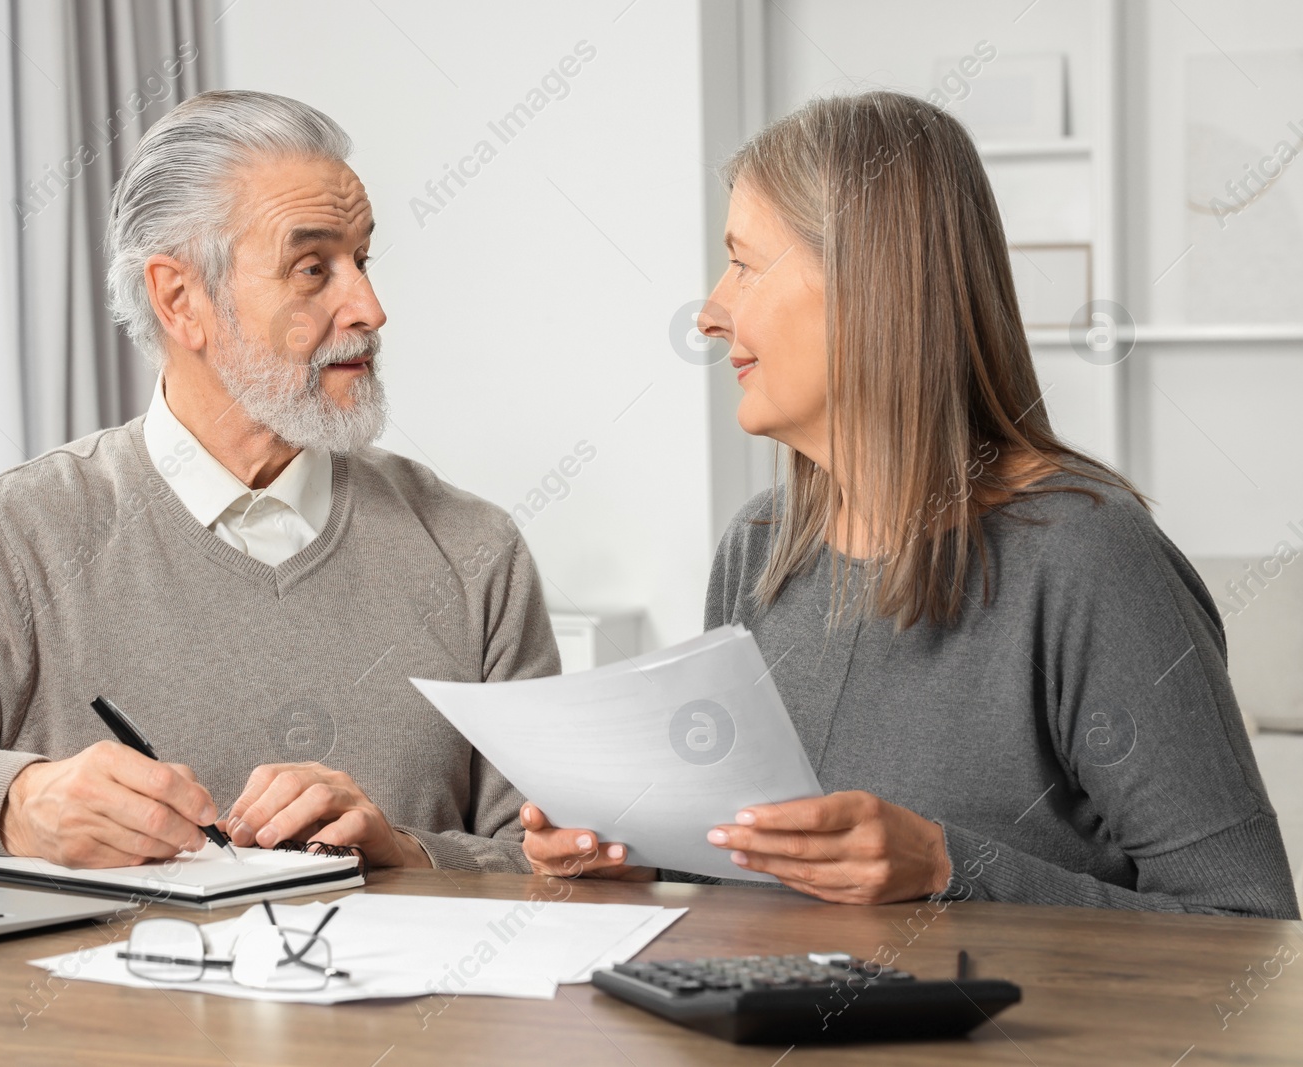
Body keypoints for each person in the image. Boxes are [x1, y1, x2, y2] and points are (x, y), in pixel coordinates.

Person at [521, 91, 1299, 918]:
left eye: (744, 264)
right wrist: (636, 860)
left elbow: (1253, 934)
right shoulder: (756, 549)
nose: (710, 313)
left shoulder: (1089, 558)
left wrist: (947, 865)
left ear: (867, 281)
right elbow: (756, 879)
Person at [0, 91, 557, 873]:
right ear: (181, 300)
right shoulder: (16, 539)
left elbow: (556, 866)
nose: (369, 307)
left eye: (361, 260)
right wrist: (17, 802)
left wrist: (405, 854)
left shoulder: (474, 552)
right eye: (312, 268)